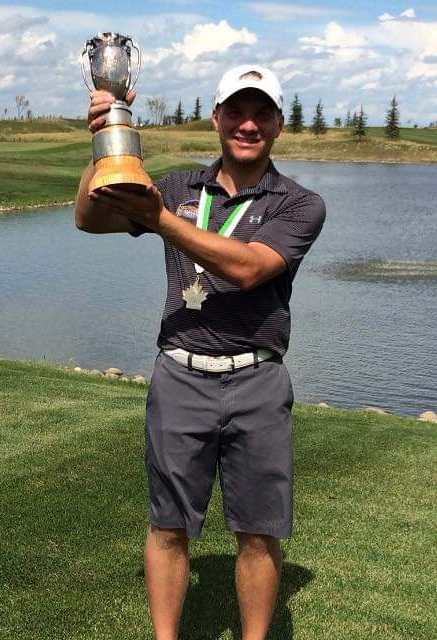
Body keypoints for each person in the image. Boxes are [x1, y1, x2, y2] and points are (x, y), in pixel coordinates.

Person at [75, 64, 326, 640]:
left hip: (257, 379)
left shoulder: (299, 204)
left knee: (260, 530)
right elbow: (90, 219)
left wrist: (159, 221)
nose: (247, 124)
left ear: (279, 124)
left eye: (261, 112)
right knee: (168, 524)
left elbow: (248, 269)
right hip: (180, 375)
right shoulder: (180, 186)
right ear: (216, 118)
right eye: (235, 111)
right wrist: (101, 141)